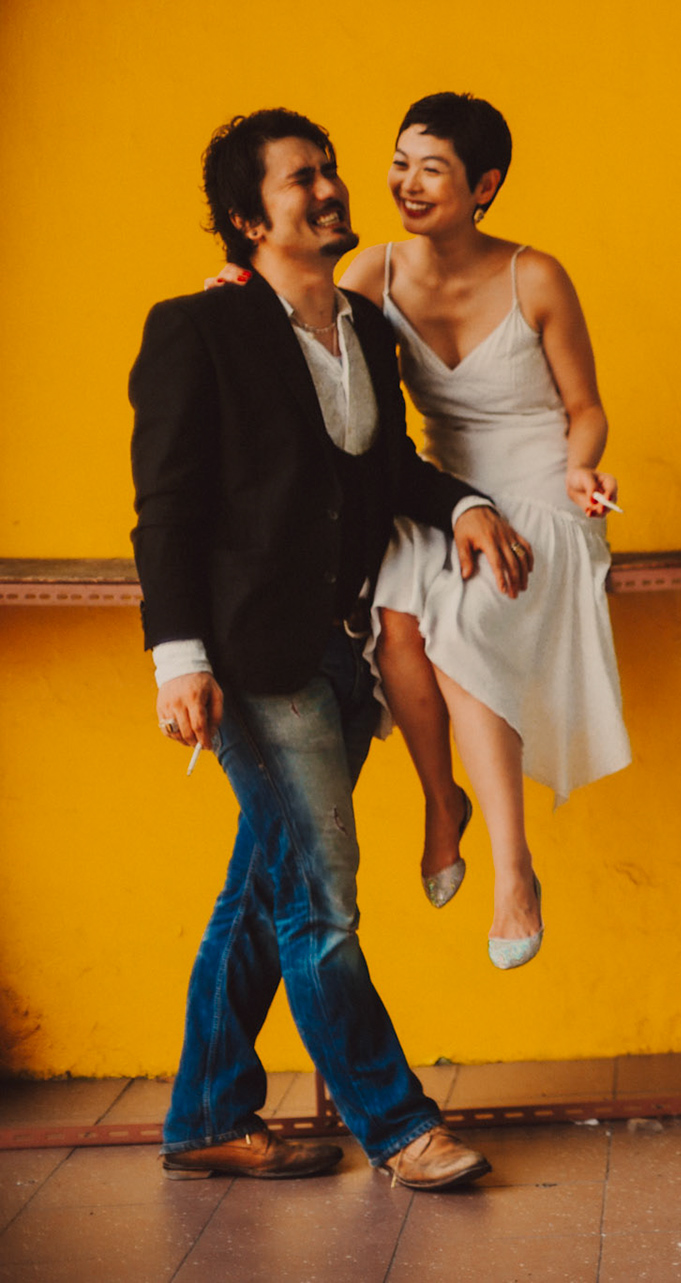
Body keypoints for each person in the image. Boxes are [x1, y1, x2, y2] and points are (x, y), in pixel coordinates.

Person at [133, 108, 519, 1186]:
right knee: (322, 901)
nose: (332, 187)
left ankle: (209, 1112)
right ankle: (401, 1125)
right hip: (254, 663)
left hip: (346, 655)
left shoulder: (364, 325)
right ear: (249, 217)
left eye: (331, 169)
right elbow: (164, 510)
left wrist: (468, 505)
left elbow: (385, 471)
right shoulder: (195, 329)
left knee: (266, 887)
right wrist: (179, 660)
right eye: (303, 179)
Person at [336, 92, 632, 969]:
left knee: (461, 622)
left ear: (484, 186)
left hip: (540, 490)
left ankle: (514, 873)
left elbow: (586, 410)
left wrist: (581, 471)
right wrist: (235, 288)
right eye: (400, 162)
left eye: (433, 168)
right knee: (395, 622)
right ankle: (442, 800)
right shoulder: (371, 275)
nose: (407, 183)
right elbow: (294, 329)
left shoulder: (534, 276)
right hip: (441, 493)